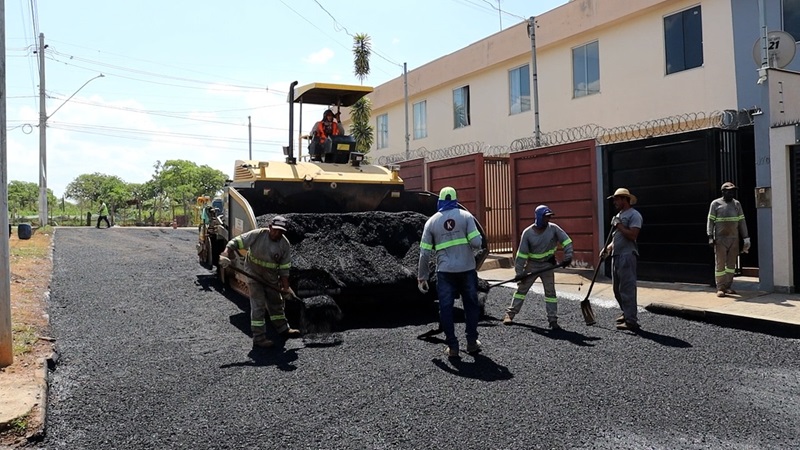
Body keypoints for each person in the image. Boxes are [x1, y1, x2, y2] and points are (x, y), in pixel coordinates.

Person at [417, 186, 483, 358]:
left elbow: (424, 253)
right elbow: (477, 243)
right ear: (455, 199)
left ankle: (453, 347)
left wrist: (422, 277)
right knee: (470, 305)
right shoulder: (467, 217)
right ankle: (471, 343)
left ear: (440, 200)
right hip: (467, 269)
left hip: (445, 272)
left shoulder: (431, 222)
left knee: (446, 308)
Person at [220, 215, 301, 348]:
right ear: (269, 227)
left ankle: (283, 329)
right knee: (258, 306)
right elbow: (235, 242)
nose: (278, 233)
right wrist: (225, 254)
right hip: (253, 275)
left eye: (281, 231)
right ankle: (259, 338)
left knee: (277, 303)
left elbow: (284, 269)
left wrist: (286, 288)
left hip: (271, 278)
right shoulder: (257, 235)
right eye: (275, 230)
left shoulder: (284, 244)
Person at [502, 205, 573, 330]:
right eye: (546, 217)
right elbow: (521, 255)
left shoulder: (554, 229)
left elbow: (567, 241)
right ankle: (510, 313)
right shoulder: (528, 233)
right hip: (532, 265)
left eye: (549, 217)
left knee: (550, 293)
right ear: (539, 217)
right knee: (522, 290)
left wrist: (568, 257)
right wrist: (520, 273)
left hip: (547, 265)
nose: (548, 220)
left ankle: (552, 320)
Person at [603, 188, 643, 331]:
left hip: (627, 255)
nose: (614, 202)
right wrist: (607, 249)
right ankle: (626, 313)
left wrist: (618, 225)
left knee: (627, 289)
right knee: (617, 290)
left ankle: (631, 320)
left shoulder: (634, 215)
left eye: (616, 199)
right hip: (616, 255)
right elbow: (617, 238)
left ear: (625, 199)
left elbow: (632, 235)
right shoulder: (619, 214)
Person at [707, 181, 750, 297]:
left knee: (731, 264)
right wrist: (710, 236)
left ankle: (728, 286)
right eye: (729, 191)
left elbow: (742, 221)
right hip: (720, 239)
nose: (731, 193)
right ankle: (720, 287)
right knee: (720, 264)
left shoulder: (737, 204)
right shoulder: (715, 204)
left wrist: (746, 238)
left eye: (733, 191)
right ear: (723, 192)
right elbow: (710, 221)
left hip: (734, 239)